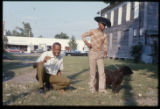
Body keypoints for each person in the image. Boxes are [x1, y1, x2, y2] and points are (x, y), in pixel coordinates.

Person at [82, 16, 111, 93]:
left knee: (102, 73)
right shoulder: (93, 31)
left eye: (104, 25)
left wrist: (105, 52)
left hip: (100, 55)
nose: (103, 26)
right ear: (98, 24)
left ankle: (102, 89)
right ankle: (92, 88)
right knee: (92, 72)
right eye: (102, 24)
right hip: (92, 53)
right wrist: (87, 43)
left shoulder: (105, 35)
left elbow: (105, 45)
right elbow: (83, 35)